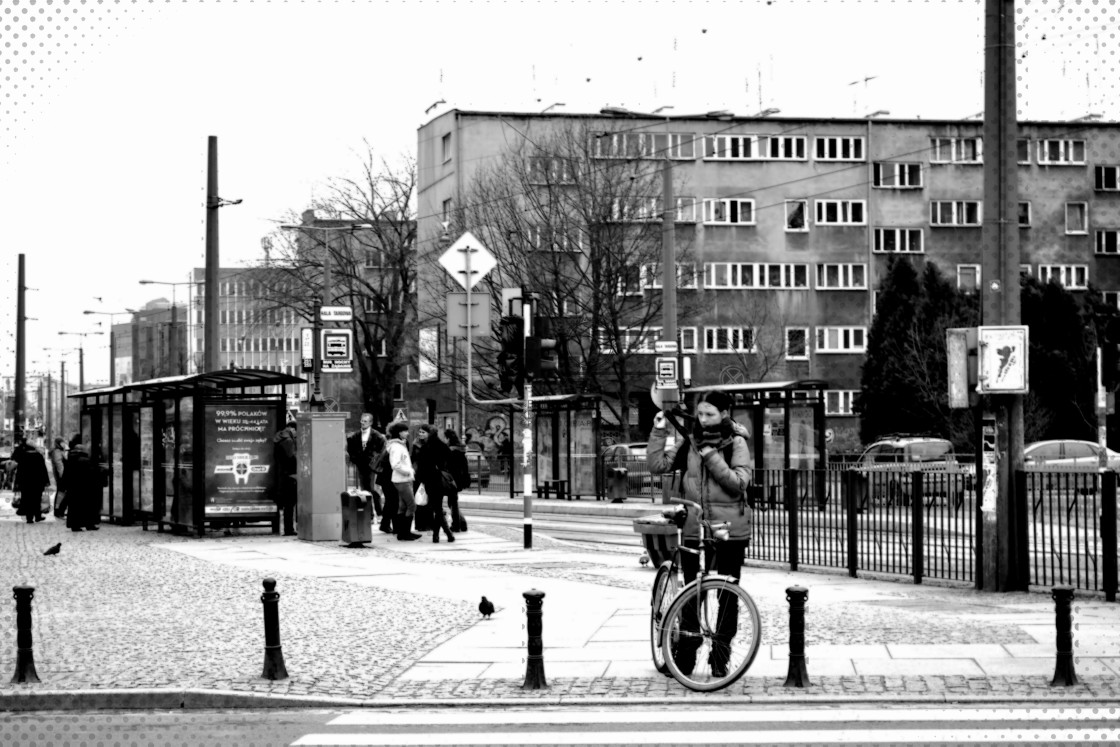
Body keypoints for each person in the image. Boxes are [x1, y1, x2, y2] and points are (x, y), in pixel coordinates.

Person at [646, 390, 753, 677]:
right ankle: (685, 656)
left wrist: (710, 455)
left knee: (727, 597)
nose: (703, 420)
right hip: (694, 527)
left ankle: (721, 656)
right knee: (690, 594)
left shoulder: (736, 443)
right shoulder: (689, 440)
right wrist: (658, 431)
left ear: (724, 414)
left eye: (710, 414)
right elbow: (658, 466)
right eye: (701, 413)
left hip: (729, 530)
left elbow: (739, 484)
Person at [413, 424, 455, 543]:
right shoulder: (441, 445)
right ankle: (436, 535)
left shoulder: (427, 447)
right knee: (438, 507)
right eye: (419, 432)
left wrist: (421, 478)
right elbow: (450, 459)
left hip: (431, 481)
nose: (420, 434)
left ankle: (448, 533)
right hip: (438, 479)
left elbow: (421, 466)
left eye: (423, 432)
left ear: (429, 433)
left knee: (437, 508)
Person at [345, 412, 386, 519]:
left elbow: (382, 450)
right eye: (362, 421)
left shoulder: (377, 436)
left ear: (371, 422)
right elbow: (351, 450)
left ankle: (379, 512)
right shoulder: (355, 436)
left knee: (372, 489)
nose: (362, 423)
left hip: (373, 466)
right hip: (361, 465)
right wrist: (355, 459)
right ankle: (370, 514)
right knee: (364, 490)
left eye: (365, 421)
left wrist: (375, 461)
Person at [386, 421, 421, 541]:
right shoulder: (396, 447)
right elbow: (395, 465)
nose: (408, 433)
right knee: (412, 505)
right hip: (402, 480)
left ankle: (403, 532)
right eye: (405, 431)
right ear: (399, 433)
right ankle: (404, 532)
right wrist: (408, 471)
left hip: (403, 479)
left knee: (403, 506)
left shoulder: (400, 445)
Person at [64, 435, 105, 532]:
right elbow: (91, 474)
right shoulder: (84, 461)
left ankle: (75, 525)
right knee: (87, 506)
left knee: (74, 507)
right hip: (85, 488)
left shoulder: (70, 459)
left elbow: (66, 474)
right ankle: (89, 524)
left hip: (73, 488)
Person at [12, 437, 50, 523]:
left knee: (27, 499)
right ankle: (37, 516)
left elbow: (20, 471)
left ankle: (29, 518)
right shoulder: (39, 456)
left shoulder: (23, 456)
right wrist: (46, 481)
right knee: (37, 499)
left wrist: (17, 482)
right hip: (37, 482)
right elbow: (43, 470)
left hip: (25, 482)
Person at [273, 418, 298, 536]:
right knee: (290, 503)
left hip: (282, 474)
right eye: (296, 431)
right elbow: (291, 458)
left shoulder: (279, 437)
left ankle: (288, 528)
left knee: (287, 503)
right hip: (290, 475)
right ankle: (289, 529)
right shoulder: (288, 441)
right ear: (292, 429)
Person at [443, 429, 470, 532]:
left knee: (452, 502)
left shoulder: (450, 451)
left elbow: (447, 466)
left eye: (445, 438)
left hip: (451, 479)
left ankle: (457, 525)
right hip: (459, 479)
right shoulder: (461, 450)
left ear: (448, 438)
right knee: (453, 502)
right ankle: (461, 524)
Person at [49, 438, 68, 518]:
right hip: (61, 476)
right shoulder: (57, 451)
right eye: (63, 442)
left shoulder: (59, 451)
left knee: (61, 493)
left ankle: (59, 510)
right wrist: (63, 476)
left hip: (61, 476)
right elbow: (59, 465)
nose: (64, 444)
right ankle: (58, 511)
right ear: (59, 443)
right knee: (61, 493)